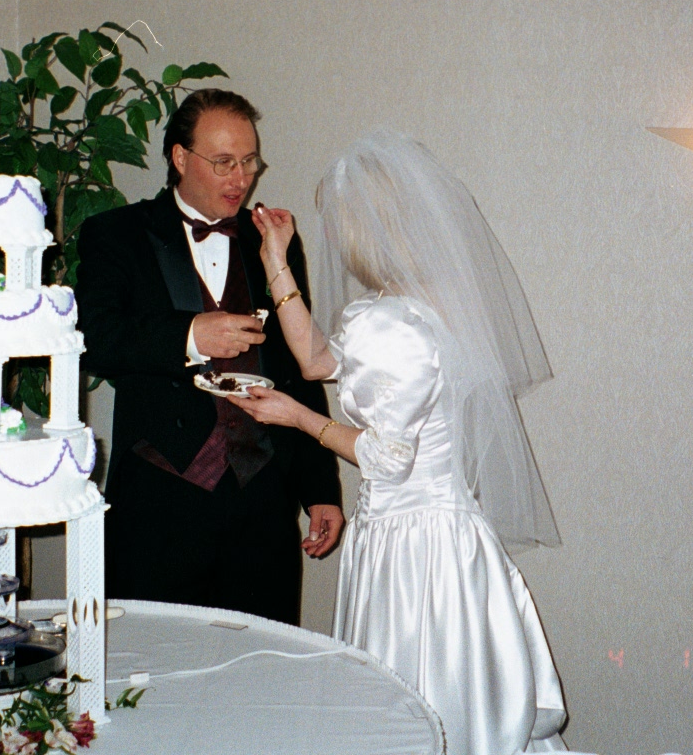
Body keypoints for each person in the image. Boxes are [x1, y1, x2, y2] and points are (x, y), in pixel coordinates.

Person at [228, 130, 568, 754]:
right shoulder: (423, 307)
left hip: (413, 553)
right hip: (440, 539)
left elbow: (386, 458)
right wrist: (277, 256)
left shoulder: (389, 323)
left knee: (413, 712)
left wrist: (295, 417)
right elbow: (317, 361)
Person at [74, 88, 344, 626]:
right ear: (180, 157)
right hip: (158, 503)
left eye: (249, 161)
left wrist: (319, 488)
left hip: (262, 502)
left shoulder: (274, 240)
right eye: (224, 162)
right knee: (155, 662)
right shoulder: (116, 234)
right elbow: (92, 338)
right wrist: (189, 335)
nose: (241, 178)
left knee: (262, 660)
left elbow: (300, 366)